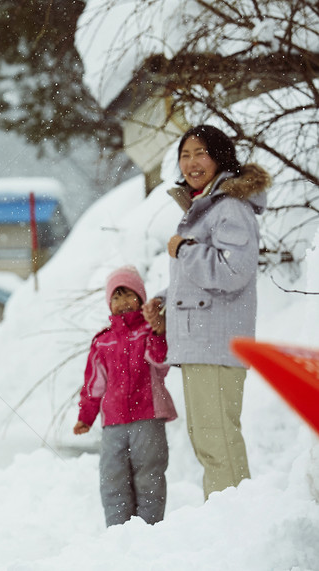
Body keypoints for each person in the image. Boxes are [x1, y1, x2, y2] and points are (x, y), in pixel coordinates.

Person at [142, 124, 271, 501]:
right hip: (202, 343)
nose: (192, 162)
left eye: (201, 153)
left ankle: (236, 525)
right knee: (208, 441)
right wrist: (165, 300)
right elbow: (203, 278)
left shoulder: (229, 207)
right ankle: (226, 521)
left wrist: (184, 250)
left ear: (220, 157)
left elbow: (232, 270)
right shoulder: (206, 208)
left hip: (217, 344)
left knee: (218, 442)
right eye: (185, 154)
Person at [74, 265, 176, 527]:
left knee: (149, 478)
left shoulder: (150, 331)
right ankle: (118, 534)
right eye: (116, 297)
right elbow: (94, 384)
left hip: (148, 417)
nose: (122, 302)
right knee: (113, 478)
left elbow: (160, 361)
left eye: (128, 294)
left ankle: (149, 531)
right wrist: (86, 416)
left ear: (141, 298)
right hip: (113, 424)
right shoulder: (103, 341)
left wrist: (157, 333)